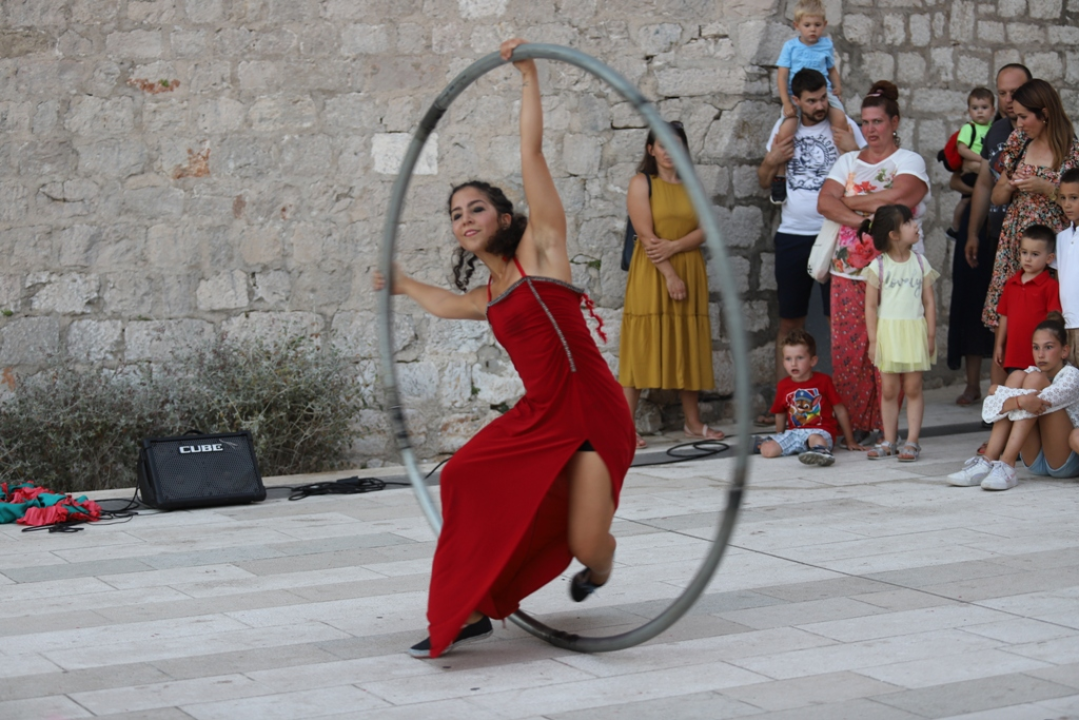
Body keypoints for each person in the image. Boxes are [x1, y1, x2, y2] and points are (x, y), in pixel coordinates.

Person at [375, 39, 636, 659]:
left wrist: (528, 78)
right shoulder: (490, 295)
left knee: (585, 542)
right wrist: (404, 282)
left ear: (503, 215)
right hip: (542, 415)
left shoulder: (541, 251)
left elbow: (531, 153)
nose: (465, 218)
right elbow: (444, 303)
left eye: (477, 208)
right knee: (464, 473)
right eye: (456, 213)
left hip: (591, 412)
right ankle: (467, 612)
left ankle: (601, 570)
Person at [817, 80, 931, 442]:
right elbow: (824, 202)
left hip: (895, 269)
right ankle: (857, 426)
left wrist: (847, 200)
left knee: (891, 346)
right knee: (851, 349)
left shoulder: (908, 160)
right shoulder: (847, 160)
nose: (870, 130)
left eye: (878, 122)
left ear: (894, 122)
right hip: (848, 271)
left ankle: (889, 430)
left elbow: (900, 199)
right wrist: (866, 221)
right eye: (864, 123)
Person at [757, 68, 864, 410]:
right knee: (790, 320)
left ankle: (845, 401)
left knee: (841, 320)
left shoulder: (843, 125)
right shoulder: (784, 127)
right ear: (798, 100)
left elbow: (870, 175)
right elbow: (763, 180)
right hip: (793, 234)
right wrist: (772, 161)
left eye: (823, 98)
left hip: (835, 234)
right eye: (812, 100)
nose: (819, 105)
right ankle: (785, 401)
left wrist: (852, 150)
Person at [620, 121, 723, 448]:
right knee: (641, 345)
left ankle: (693, 424)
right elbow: (647, 237)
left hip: (688, 266)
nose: (668, 151)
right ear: (651, 149)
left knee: (688, 343)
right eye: (662, 144)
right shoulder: (641, 183)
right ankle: (625, 426)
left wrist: (676, 247)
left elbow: (706, 229)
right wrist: (670, 274)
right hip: (653, 272)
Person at [958, 64, 1033, 396]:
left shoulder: (1049, 131)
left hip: (1035, 244)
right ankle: (998, 400)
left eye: (1014, 93)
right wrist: (973, 232)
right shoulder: (998, 131)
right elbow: (986, 185)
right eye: (1001, 93)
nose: (1007, 100)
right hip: (998, 237)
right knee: (1000, 320)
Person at [983, 79, 1079, 335]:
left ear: (1045, 114)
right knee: (1012, 319)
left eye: (1025, 117)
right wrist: (1012, 184)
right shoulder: (1018, 142)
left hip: (1052, 245)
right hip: (1017, 241)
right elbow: (997, 197)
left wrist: (1046, 187)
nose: (1020, 123)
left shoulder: (1071, 149)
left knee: (1049, 319)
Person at [948, 313, 1079, 489]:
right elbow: (993, 407)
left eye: (1048, 347)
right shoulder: (1031, 371)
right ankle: (988, 461)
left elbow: (1041, 401)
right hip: (1035, 460)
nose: (1040, 354)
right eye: (1035, 347)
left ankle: (1007, 463)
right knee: (1017, 375)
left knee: (1033, 381)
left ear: (1064, 350)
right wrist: (1017, 400)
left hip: (1063, 460)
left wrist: (1002, 394)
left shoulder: (1071, 375)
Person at [863, 205, 939, 462]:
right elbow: (871, 306)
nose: (915, 225)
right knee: (889, 390)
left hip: (913, 333)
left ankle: (913, 441)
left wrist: (930, 335)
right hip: (889, 335)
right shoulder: (878, 267)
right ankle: (888, 440)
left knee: (914, 387)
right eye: (908, 222)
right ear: (894, 235)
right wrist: (874, 340)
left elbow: (929, 302)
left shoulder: (920, 262)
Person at [770, 0, 846, 204]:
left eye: (817, 25)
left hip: (823, 92)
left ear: (824, 24)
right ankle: (779, 176)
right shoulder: (791, 47)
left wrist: (837, 87)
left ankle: (846, 168)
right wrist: (786, 102)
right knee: (785, 132)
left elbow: (831, 69)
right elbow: (782, 76)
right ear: (797, 26)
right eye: (807, 25)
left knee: (840, 120)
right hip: (798, 97)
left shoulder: (826, 45)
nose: (813, 30)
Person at [758, 329, 863, 467]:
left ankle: (821, 453)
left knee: (816, 439)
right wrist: (780, 436)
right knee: (769, 451)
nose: (793, 364)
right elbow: (780, 414)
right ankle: (764, 444)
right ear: (783, 362)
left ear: (813, 361)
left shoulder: (824, 381)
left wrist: (850, 440)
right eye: (788, 359)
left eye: (800, 358)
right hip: (795, 433)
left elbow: (840, 410)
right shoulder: (783, 385)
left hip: (820, 431)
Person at [994, 225, 1061, 375]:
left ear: (1049, 258)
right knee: (1015, 388)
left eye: (1035, 254)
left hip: (1040, 357)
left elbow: (1054, 320)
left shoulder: (1050, 286)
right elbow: (1004, 316)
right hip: (1014, 354)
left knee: (1035, 393)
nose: (1028, 258)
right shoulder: (1011, 284)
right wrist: (999, 345)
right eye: (1024, 252)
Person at [947, 87, 995, 240]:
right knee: (967, 199)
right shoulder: (969, 128)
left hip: (983, 171)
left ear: (993, 110)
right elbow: (962, 149)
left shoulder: (993, 129)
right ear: (969, 111)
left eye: (984, 108)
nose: (980, 112)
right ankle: (955, 227)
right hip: (973, 172)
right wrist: (981, 159)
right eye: (975, 108)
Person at [1055, 168, 1079, 356]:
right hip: (1068, 323)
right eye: (1063, 198)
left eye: (1074, 198)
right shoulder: (1061, 238)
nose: (1067, 204)